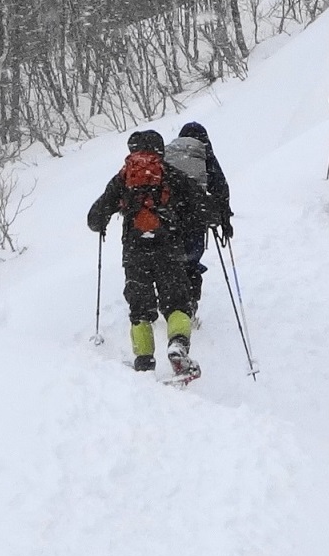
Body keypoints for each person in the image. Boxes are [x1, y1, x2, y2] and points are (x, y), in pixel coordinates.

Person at [87, 128, 211, 376]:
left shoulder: (123, 178)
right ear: (160, 150)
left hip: (135, 251)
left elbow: (94, 218)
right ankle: (177, 345)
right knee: (177, 304)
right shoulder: (170, 174)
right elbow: (201, 205)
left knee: (140, 311)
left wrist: (102, 222)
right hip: (168, 248)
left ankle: (143, 363)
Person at [161, 120, 233, 315]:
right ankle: (189, 307)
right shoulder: (203, 153)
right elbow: (220, 188)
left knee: (171, 262)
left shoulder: (167, 152)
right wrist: (224, 219)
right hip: (195, 216)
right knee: (190, 261)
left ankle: (169, 305)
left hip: (167, 217)